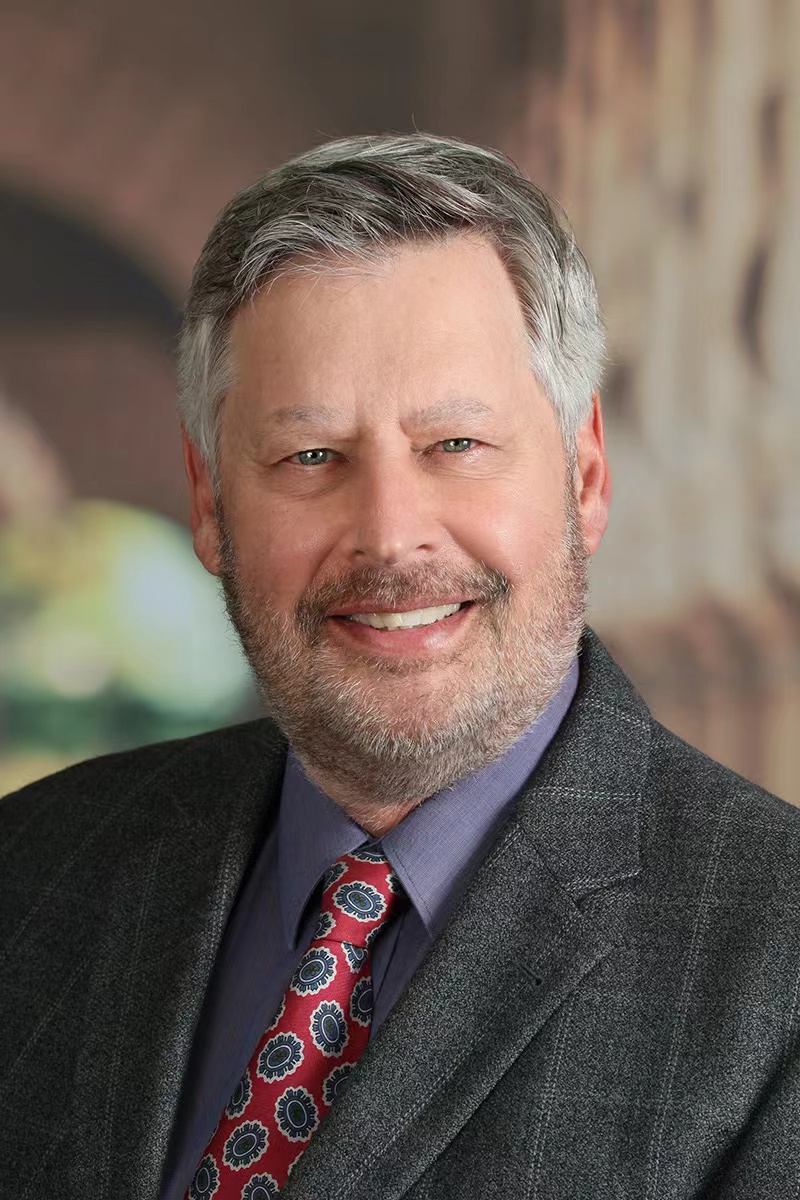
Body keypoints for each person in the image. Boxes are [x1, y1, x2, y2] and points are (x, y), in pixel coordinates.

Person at [2, 133, 799, 1200]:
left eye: (454, 446)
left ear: (584, 474)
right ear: (210, 503)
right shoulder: (31, 871)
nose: (388, 536)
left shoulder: (777, 966)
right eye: (311, 457)